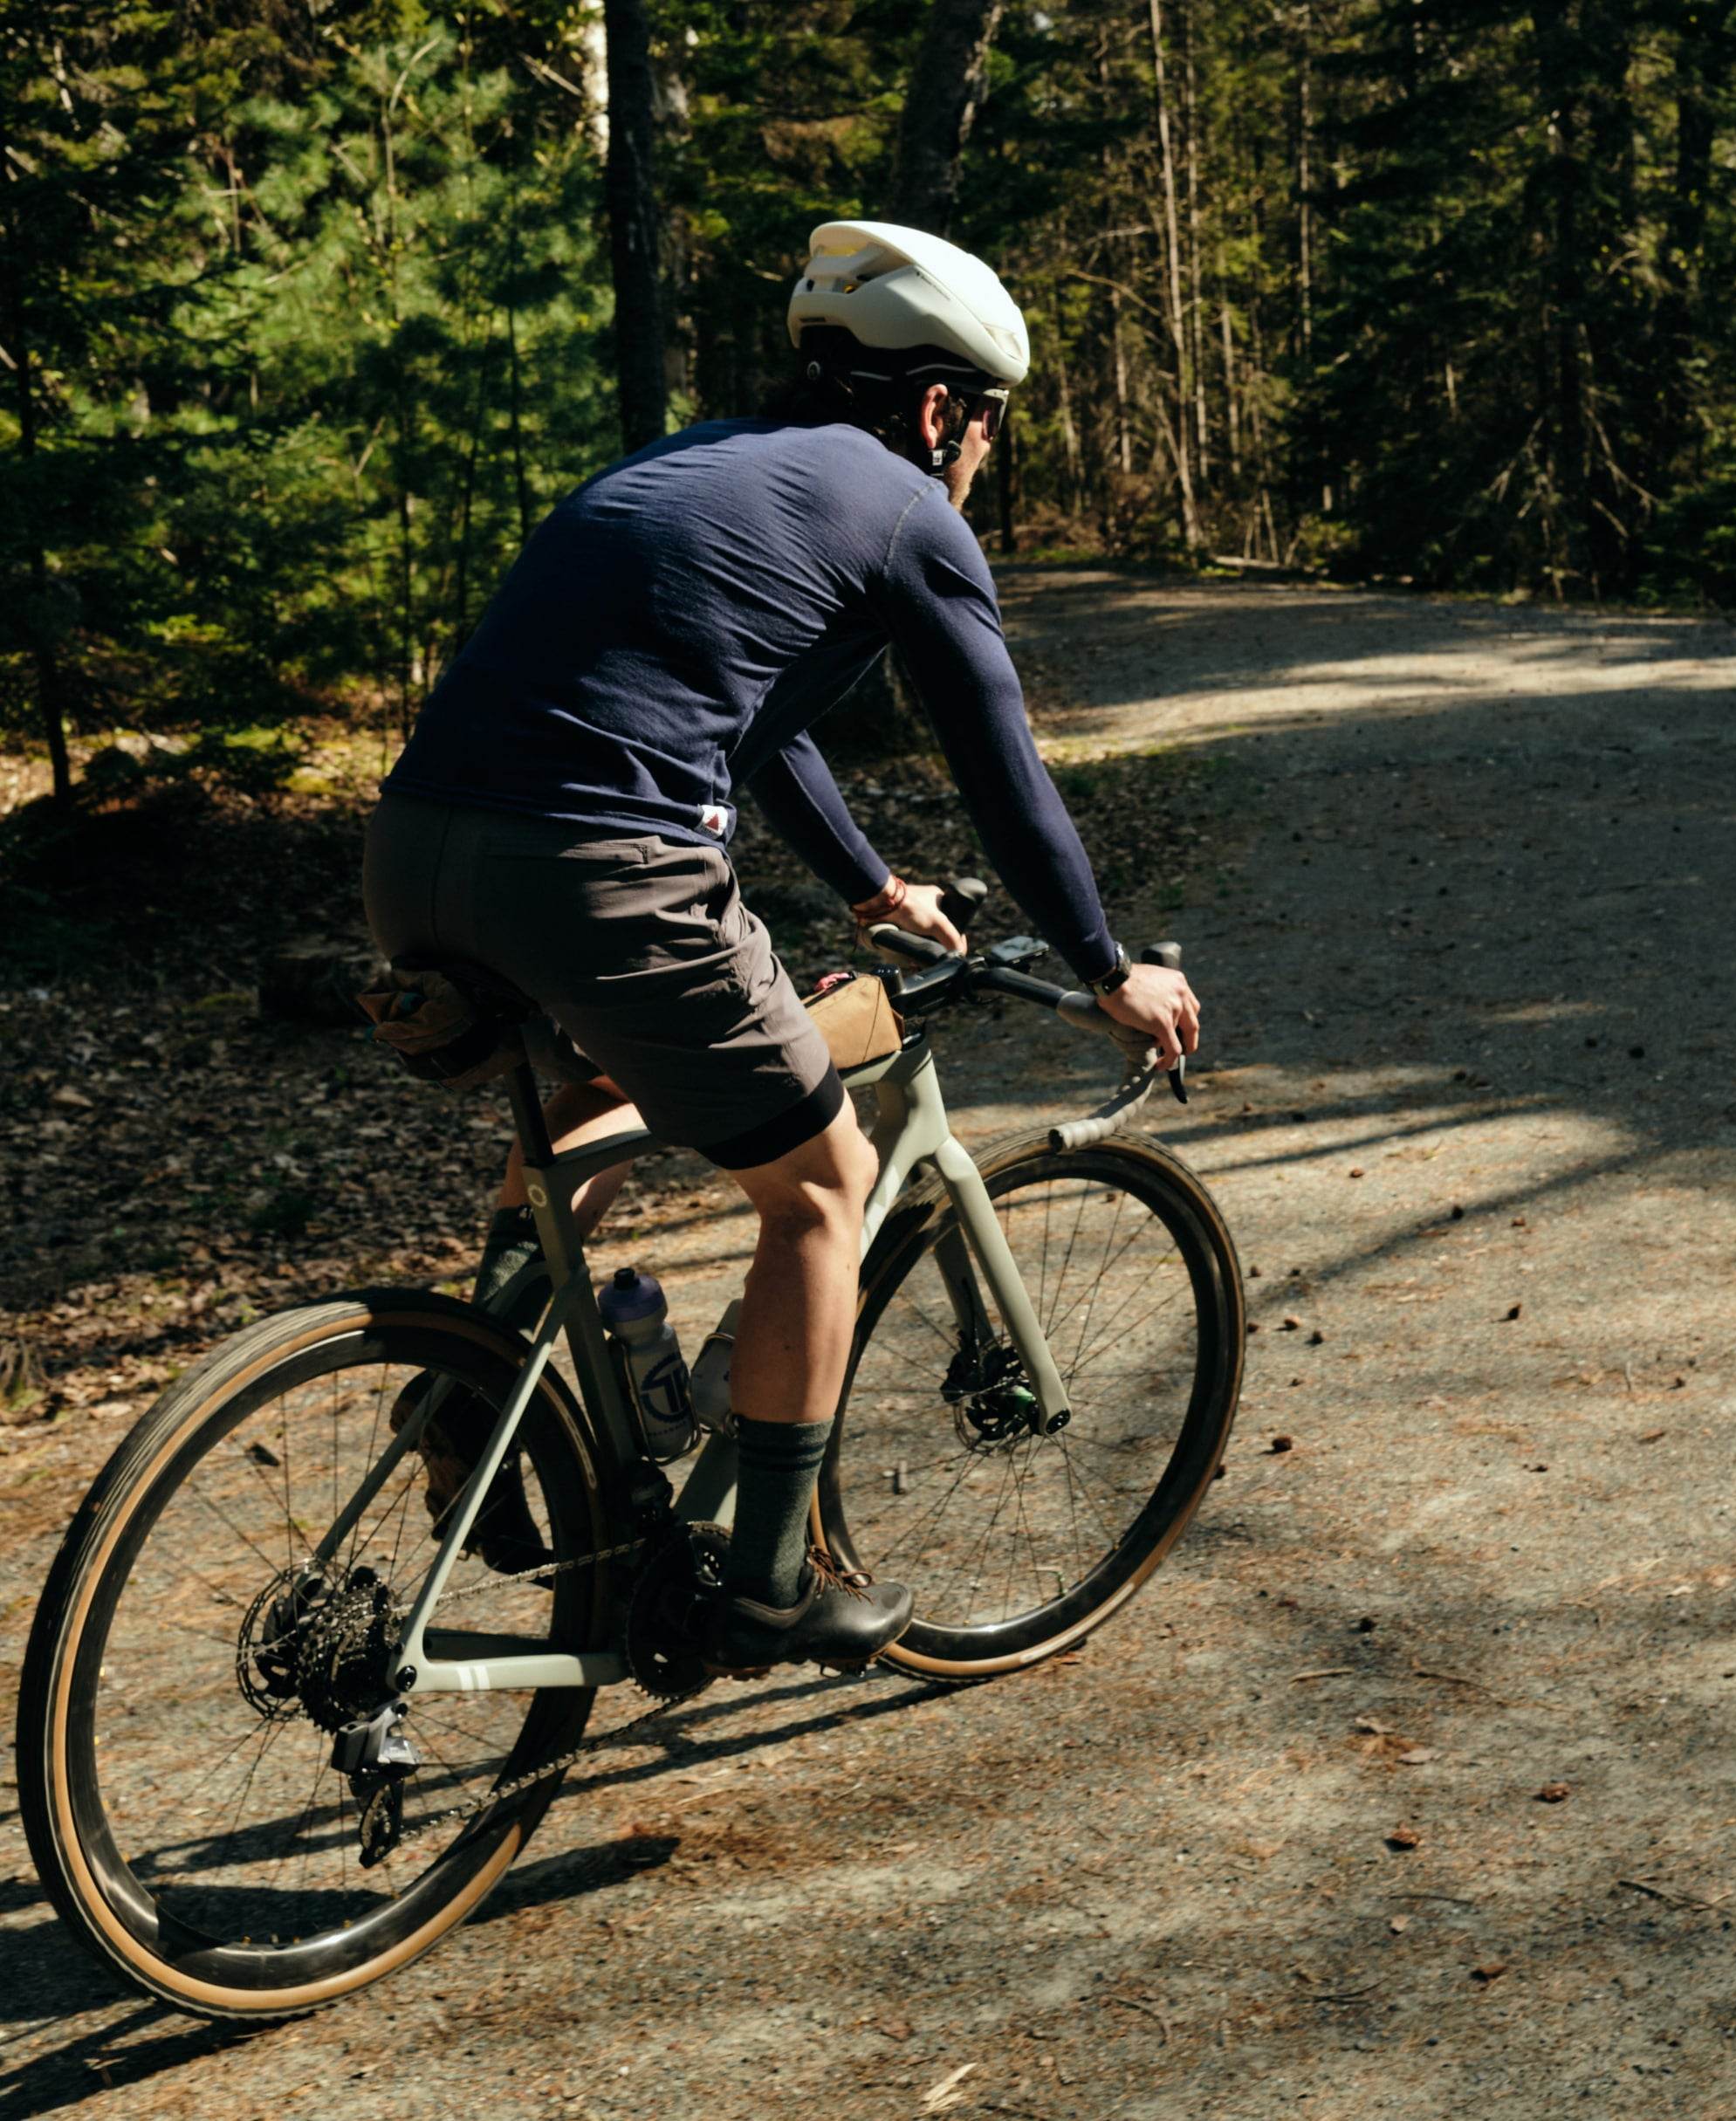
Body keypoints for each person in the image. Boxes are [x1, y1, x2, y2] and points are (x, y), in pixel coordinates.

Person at [362, 219, 1201, 1675]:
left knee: (587, 1096)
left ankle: (476, 1362)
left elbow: (754, 722)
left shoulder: (691, 461)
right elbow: (1003, 769)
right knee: (825, 1181)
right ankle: (760, 1586)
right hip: (600, 865)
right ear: (940, 408)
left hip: (414, 847)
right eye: (987, 426)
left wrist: (870, 883)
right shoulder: (904, 510)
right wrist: (1104, 962)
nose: (981, 458)